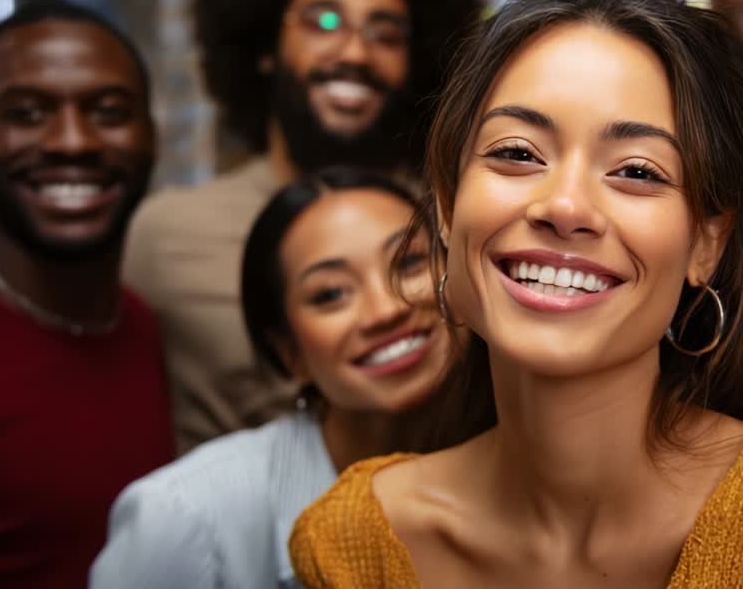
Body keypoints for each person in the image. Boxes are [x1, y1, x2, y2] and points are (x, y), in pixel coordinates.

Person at [288, 0, 743, 588]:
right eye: (518, 153)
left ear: (706, 244)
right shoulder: (354, 539)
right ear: (448, 203)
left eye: (636, 171)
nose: (565, 206)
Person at [122, 0, 482, 453]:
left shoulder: (457, 218)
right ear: (266, 45)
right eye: (325, 22)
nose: (355, 52)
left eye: (385, 34)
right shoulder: (165, 238)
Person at [91, 167, 465, 588]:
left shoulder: (530, 474)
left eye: (409, 262)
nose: (385, 310)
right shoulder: (186, 515)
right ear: (290, 354)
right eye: (331, 294)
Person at [0, 0, 173, 588]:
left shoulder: (144, 326)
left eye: (109, 111)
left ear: (152, 134)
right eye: (27, 112)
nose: (73, 141)